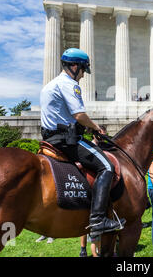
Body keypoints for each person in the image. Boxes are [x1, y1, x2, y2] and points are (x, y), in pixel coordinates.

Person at [40, 48, 125, 239]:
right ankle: (97, 220)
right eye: (84, 70)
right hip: (66, 141)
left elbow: (67, 116)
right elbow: (79, 115)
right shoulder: (69, 84)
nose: (84, 75)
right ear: (75, 66)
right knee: (106, 166)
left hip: (51, 137)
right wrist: (95, 127)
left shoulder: (51, 85)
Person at [80, 125, 108, 257]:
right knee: (87, 224)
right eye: (101, 134)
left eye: (104, 134)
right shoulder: (89, 146)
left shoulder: (103, 146)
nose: (103, 136)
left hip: (100, 187)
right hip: (91, 184)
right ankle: (83, 248)